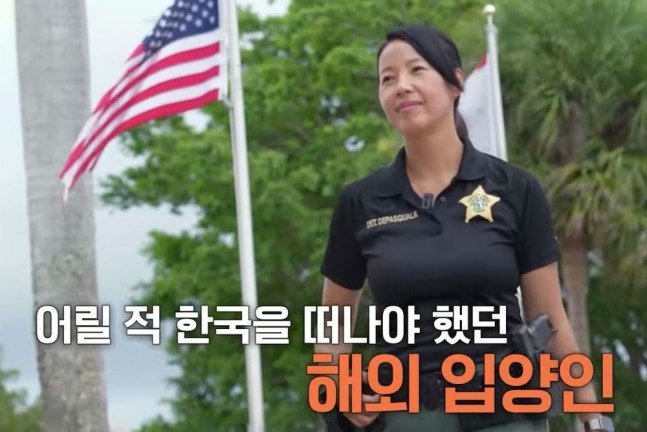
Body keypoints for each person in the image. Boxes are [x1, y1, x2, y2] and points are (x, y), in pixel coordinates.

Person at [315, 24, 611, 432]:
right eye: (387, 78)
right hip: (406, 416)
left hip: (506, 414)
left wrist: (593, 419)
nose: (401, 86)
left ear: (455, 83)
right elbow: (333, 317)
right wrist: (337, 385)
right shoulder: (360, 201)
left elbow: (548, 314)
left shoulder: (515, 188)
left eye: (417, 70)